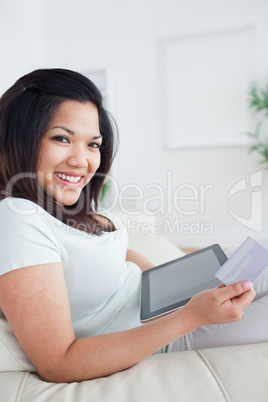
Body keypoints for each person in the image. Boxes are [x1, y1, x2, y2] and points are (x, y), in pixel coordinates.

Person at [0, 68, 266, 383]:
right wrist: (190, 316)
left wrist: (174, 281)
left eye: (93, 145)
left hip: (173, 304)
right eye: (62, 138)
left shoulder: (61, 208)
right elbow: (58, 363)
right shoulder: (16, 216)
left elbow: (115, 252)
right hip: (162, 336)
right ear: (18, 139)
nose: (81, 160)